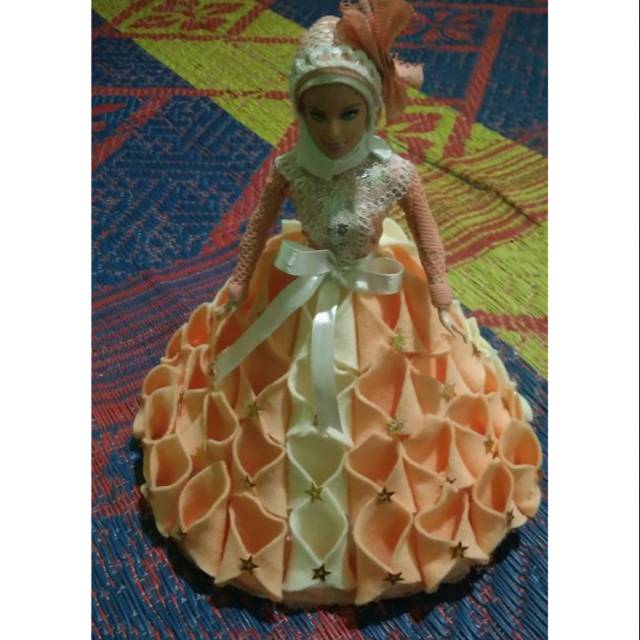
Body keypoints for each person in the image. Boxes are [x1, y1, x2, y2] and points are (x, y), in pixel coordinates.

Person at [133, 0, 543, 606]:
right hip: (295, 287)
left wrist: (438, 286)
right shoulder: (292, 167)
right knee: (271, 394)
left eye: (348, 113)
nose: (332, 131)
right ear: (298, 111)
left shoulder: (395, 172)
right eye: (316, 114)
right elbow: (257, 225)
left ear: (372, 108)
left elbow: (427, 233)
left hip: (383, 296)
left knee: (405, 400)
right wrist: (242, 279)